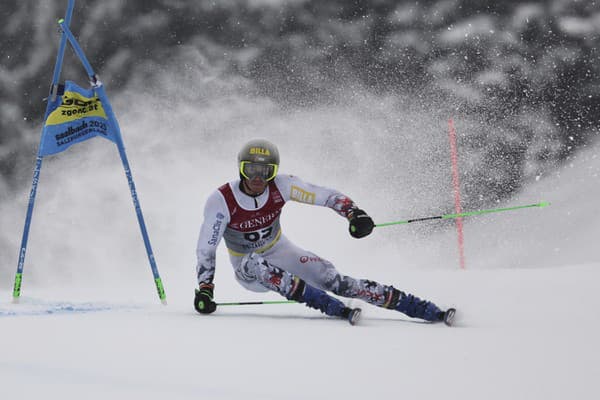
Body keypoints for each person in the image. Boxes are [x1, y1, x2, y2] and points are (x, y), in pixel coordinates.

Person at [194, 139, 456, 325]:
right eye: (251, 169)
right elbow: (206, 248)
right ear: (241, 168)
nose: (257, 178)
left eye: (265, 171)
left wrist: (354, 213)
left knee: (335, 280)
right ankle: (325, 304)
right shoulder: (221, 199)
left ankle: (421, 308)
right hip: (247, 267)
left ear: (274, 172)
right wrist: (206, 288)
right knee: (255, 262)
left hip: (279, 250)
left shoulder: (283, 186)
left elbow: (326, 195)